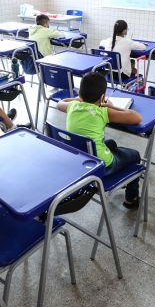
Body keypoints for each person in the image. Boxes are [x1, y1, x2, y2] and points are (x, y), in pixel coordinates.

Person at [57, 72, 142, 209]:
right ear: (102, 97)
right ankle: (131, 199)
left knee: (112, 144)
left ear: (79, 93)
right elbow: (136, 117)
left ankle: (126, 183)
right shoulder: (103, 112)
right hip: (101, 165)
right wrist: (110, 106)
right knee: (134, 154)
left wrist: (79, 99)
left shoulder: (72, 106)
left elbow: (60, 103)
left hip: (79, 159)